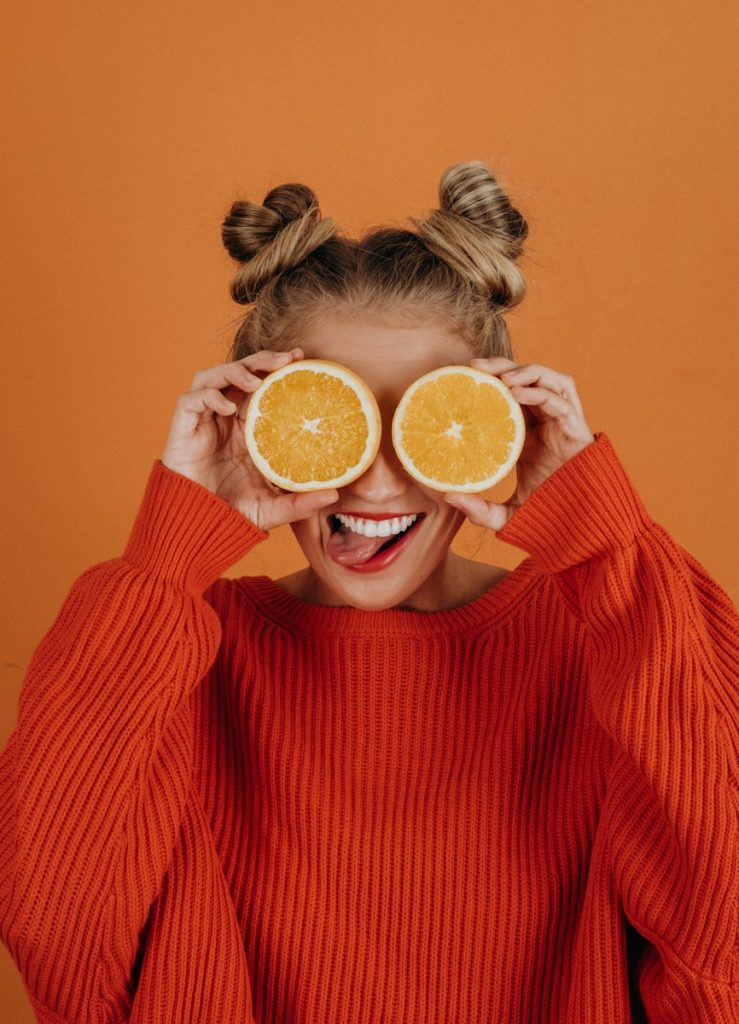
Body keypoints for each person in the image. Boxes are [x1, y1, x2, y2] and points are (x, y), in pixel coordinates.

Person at [0, 161, 736, 1024]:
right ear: (253, 426)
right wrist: (167, 555)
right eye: (329, 420)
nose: (379, 486)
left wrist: (606, 545)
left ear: (499, 426)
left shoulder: (611, 636)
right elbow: (56, 942)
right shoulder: (178, 653)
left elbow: (718, 950)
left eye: (427, 421)